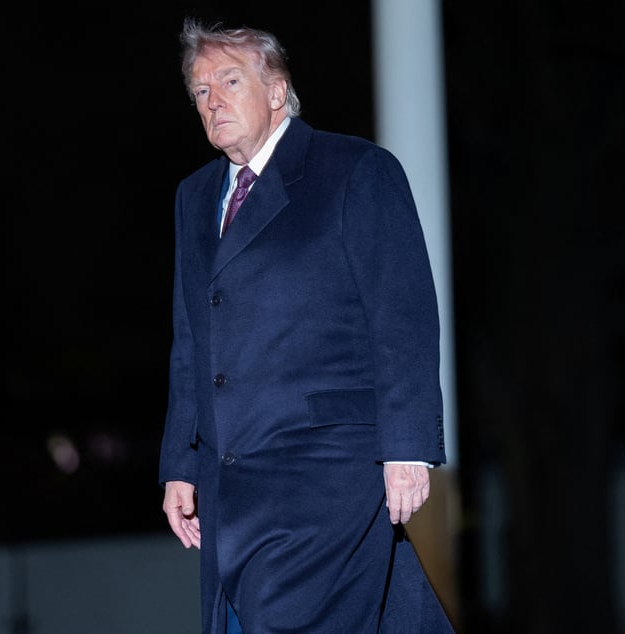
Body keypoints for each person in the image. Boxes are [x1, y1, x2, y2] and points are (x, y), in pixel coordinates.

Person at [159, 16, 455, 633]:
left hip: (326, 474)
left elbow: (402, 315)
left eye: (229, 80)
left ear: (275, 90)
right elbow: (191, 339)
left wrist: (407, 446)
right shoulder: (194, 197)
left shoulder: (353, 170)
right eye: (199, 91)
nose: (212, 100)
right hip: (228, 486)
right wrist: (179, 463)